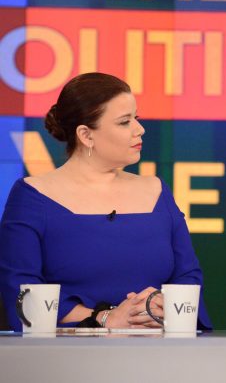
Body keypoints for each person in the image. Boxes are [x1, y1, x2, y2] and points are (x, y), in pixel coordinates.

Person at [0, 72, 212, 331]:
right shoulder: (32, 196)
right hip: (66, 359)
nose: (140, 129)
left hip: (159, 353)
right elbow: (22, 292)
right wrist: (105, 319)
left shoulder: (157, 190)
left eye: (137, 118)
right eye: (125, 122)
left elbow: (187, 277)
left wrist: (161, 306)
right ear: (86, 135)